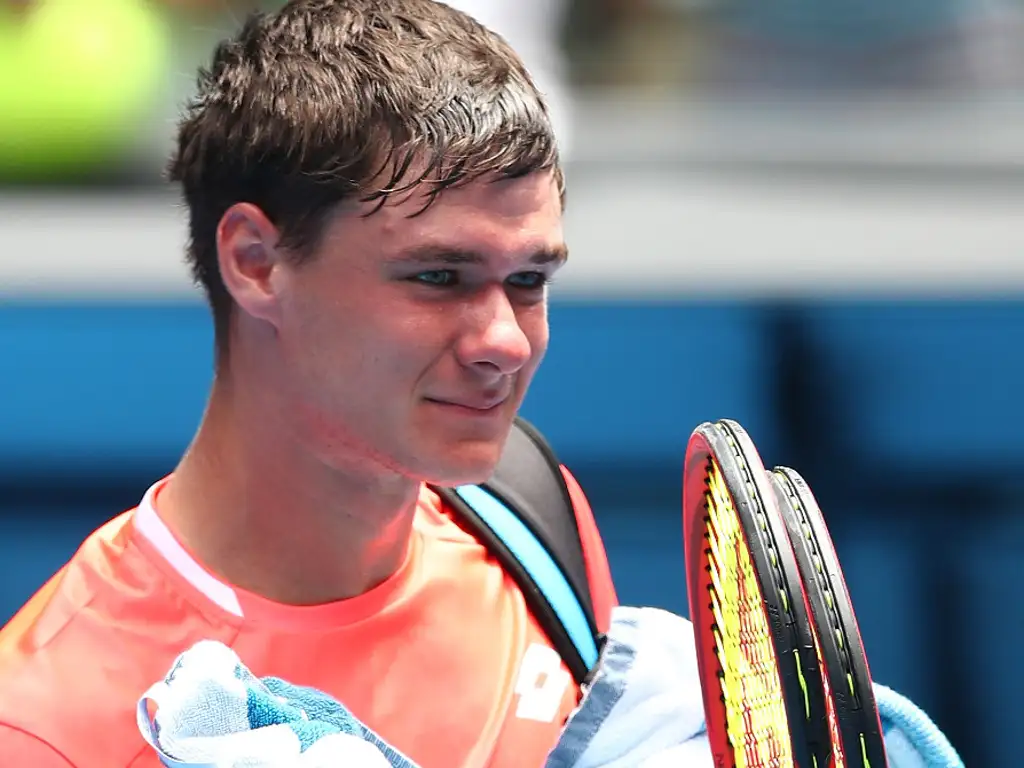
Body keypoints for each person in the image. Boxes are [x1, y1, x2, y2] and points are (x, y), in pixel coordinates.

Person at [0, 2, 618, 766]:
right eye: (437, 276)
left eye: (528, 280)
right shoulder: (41, 729)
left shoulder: (531, 514)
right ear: (256, 263)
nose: (505, 342)